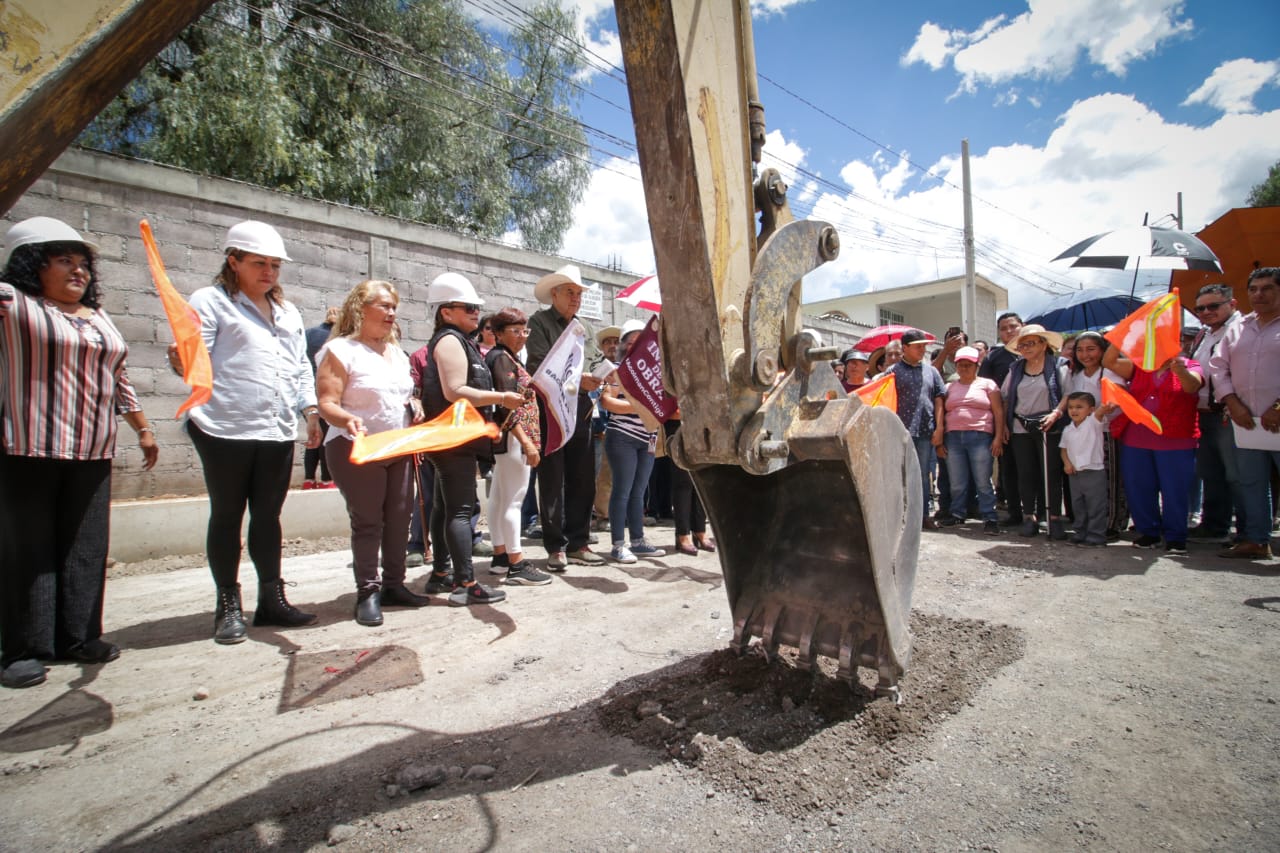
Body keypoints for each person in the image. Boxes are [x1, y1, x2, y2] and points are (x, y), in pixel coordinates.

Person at [0, 217, 158, 688]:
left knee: (85, 547)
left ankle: (79, 637)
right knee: (27, 550)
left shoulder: (98, 316)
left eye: (83, 263)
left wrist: (143, 428)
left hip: (92, 448)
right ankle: (20, 650)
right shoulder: (13, 303)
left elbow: (119, 376)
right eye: (64, 261)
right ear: (32, 265)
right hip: (28, 447)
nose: (79, 272)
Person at [177, 220, 319, 644]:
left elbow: (299, 366)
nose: (269, 272)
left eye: (275, 265)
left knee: (268, 516)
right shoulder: (210, 302)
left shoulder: (288, 312)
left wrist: (309, 410)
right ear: (233, 261)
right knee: (227, 514)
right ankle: (228, 606)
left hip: (275, 429)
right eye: (259, 263)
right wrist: (177, 359)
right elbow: (192, 359)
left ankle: (271, 600)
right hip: (224, 426)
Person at [316, 280, 431, 626]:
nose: (391, 313)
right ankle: (367, 591)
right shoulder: (340, 350)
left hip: (397, 446)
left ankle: (394, 585)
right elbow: (326, 402)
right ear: (359, 309)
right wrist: (347, 418)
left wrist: (415, 405)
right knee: (368, 521)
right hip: (356, 447)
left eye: (393, 306)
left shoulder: (396, 353)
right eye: (383, 306)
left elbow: (401, 395)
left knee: (400, 518)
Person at [418, 272, 522, 605]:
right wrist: (501, 398)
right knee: (460, 511)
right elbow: (455, 391)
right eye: (467, 307)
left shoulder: (458, 340)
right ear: (445, 311)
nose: (476, 313)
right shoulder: (450, 340)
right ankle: (465, 584)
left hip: (452, 437)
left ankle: (439, 574)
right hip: (454, 438)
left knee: (444, 507)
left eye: (476, 307)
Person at [525, 264, 605, 570]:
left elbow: (596, 360)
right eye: (570, 292)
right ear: (554, 294)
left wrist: (601, 375)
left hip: (582, 407)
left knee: (583, 479)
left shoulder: (585, 326)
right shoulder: (539, 322)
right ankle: (555, 545)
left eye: (579, 293)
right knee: (552, 478)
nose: (576, 298)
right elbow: (538, 366)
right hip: (551, 409)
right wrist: (578, 379)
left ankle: (578, 542)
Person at [1102, 340, 1204, 553]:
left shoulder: (1191, 365)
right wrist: (1120, 336)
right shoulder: (1140, 367)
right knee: (1139, 486)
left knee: (1174, 489)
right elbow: (1109, 360)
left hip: (1176, 440)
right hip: (1137, 438)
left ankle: (1176, 536)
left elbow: (1192, 386)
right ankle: (1148, 532)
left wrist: (1180, 370)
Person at [1210, 267, 1280, 560]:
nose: (1258, 294)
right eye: (1253, 289)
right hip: (1245, 420)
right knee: (1250, 481)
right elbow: (1217, 366)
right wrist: (1231, 401)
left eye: (1267, 288)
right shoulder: (1238, 328)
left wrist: (1278, 407)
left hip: (1276, 417)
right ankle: (1256, 539)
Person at [484, 307, 552, 586]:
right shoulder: (501, 359)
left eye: (525, 330)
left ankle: (501, 555)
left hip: (509, 437)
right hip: (514, 436)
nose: (522, 336)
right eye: (515, 330)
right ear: (498, 333)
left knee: (500, 496)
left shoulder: (506, 357)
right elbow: (506, 406)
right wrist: (527, 443)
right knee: (514, 500)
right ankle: (516, 563)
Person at [599, 319, 666, 562]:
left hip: (648, 438)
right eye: (632, 340)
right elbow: (607, 402)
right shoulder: (617, 369)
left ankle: (637, 541)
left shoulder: (658, 372)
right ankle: (618, 545)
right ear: (624, 345)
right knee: (622, 491)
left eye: (644, 341)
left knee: (639, 492)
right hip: (622, 438)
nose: (638, 345)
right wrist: (640, 406)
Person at [1188, 284, 1246, 544]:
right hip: (1202, 413)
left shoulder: (1242, 330)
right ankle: (1214, 524)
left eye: (1213, 306)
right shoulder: (1202, 335)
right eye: (1200, 308)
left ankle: (1248, 532)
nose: (1206, 312)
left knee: (1238, 474)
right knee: (1210, 472)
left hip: (1230, 412)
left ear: (1231, 304)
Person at [1000, 323, 1069, 538]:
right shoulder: (1015, 369)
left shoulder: (1059, 366)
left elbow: (1068, 394)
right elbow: (1005, 398)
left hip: (1049, 425)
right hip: (1021, 427)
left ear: (1043, 344)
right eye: (1022, 345)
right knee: (1026, 473)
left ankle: (1054, 518)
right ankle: (1029, 517)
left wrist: (1056, 413)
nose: (1026, 348)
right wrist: (1003, 425)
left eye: (1030, 343)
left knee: (1051, 473)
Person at [1065, 331, 1128, 538]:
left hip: (1106, 432)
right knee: (1085, 486)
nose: (1085, 355)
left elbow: (1119, 400)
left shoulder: (1109, 372)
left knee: (1109, 480)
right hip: (1081, 437)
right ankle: (1085, 525)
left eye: (1091, 349)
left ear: (1102, 350)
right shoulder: (1076, 376)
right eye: (1080, 350)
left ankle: (1111, 524)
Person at [886, 329, 946, 530]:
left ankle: (923, 516)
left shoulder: (932, 371)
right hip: (899, 433)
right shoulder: (892, 372)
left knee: (922, 475)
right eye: (918, 346)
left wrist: (939, 428)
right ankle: (900, 516)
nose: (922, 349)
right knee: (898, 475)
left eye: (924, 346)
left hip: (925, 432)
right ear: (905, 348)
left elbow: (939, 400)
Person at [940, 346, 1004, 534]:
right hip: (953, 438)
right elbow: (942, 412)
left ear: (977, 365)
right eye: (960, 365)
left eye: (968, 365)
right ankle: (958, 514)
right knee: (957, 481)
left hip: (980, 436)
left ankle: (990, 517)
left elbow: (998, 411)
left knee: (983, 480)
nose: (964, 368)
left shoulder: (988, 384)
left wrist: (998, 437)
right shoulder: (949, 387)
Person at [982, 312, 1024, 524]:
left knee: (1034, 470)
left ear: (1022, 326)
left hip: (1034, 422)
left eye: (1013, 326)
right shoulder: (993, 358)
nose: (1009, 331)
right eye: (1003, 328)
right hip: (1004, 423)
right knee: (1008, 470)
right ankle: (1015, 513)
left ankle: (1040, 514)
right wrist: (999, 427)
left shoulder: (1036, 353)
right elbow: (986, 392)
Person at [1059, 392, 1116, 547]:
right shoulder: (1068, 429)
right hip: (1075, 473)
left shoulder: (1093, 422)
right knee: (1078, 505)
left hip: (1093, 471)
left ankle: (1096, 536)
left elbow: (1100, 412)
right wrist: (1067, 463)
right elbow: (1063, 449)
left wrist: (1106, 406)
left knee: (1096, 505)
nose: (1074, 411)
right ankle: (1080, 533)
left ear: (1090, 409)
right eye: (1070, 407)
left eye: (1079, 407)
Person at [303, 305, 340, 489]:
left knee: (313, 436)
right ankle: (327, 479)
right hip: (328, 393)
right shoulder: (339, 339)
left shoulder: (309, 334)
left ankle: (309, 479)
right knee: (327, 438)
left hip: (309, 394)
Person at [592, 324, 622, 531]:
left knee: (621, 475)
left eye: (615, 342)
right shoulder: (598, 368)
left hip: (625, 428)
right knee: (602, 475)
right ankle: (602, 515)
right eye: (607, 342)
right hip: (603, 427)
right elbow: (595, 398)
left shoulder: (627, 368)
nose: (612, 346)